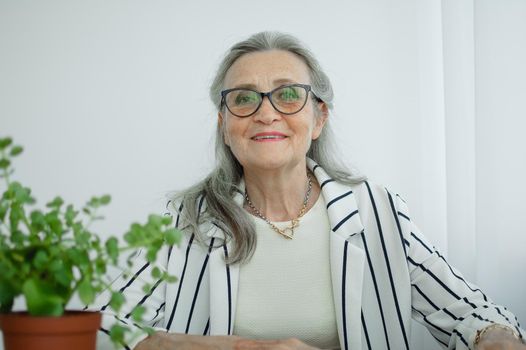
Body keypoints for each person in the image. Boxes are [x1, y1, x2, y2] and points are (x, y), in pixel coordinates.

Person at [95, 31, 525, 350]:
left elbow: (474, 315)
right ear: (225, 125)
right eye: (244, 99)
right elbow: (98, 327)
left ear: (319, 118)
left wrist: (496, 339)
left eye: (287, 95)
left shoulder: (378, 211)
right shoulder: (184, 219)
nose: (266, 113)